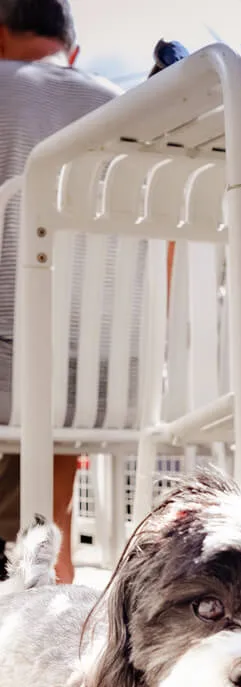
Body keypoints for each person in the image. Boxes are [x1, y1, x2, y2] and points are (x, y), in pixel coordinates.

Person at [0, 0, 119, 582]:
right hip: (109, 384)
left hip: (10, 371)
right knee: (57, 363)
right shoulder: (134, 108)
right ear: (70, 50)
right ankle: (50, 562)